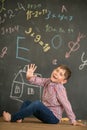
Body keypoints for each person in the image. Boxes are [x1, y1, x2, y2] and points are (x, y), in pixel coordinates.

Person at [3, 64, 85, 126]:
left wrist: (73, 120)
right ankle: (20, 117)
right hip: (45, 114)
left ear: (63, 81)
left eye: (60, 74)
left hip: (53, 118)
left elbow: (66, 103)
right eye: (56, 70)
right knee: (27, 102)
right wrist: (29, 77)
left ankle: (12, 118)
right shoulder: (48, 81)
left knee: (37, 104)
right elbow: (37, 80)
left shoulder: (60, 88)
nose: (56, 73)